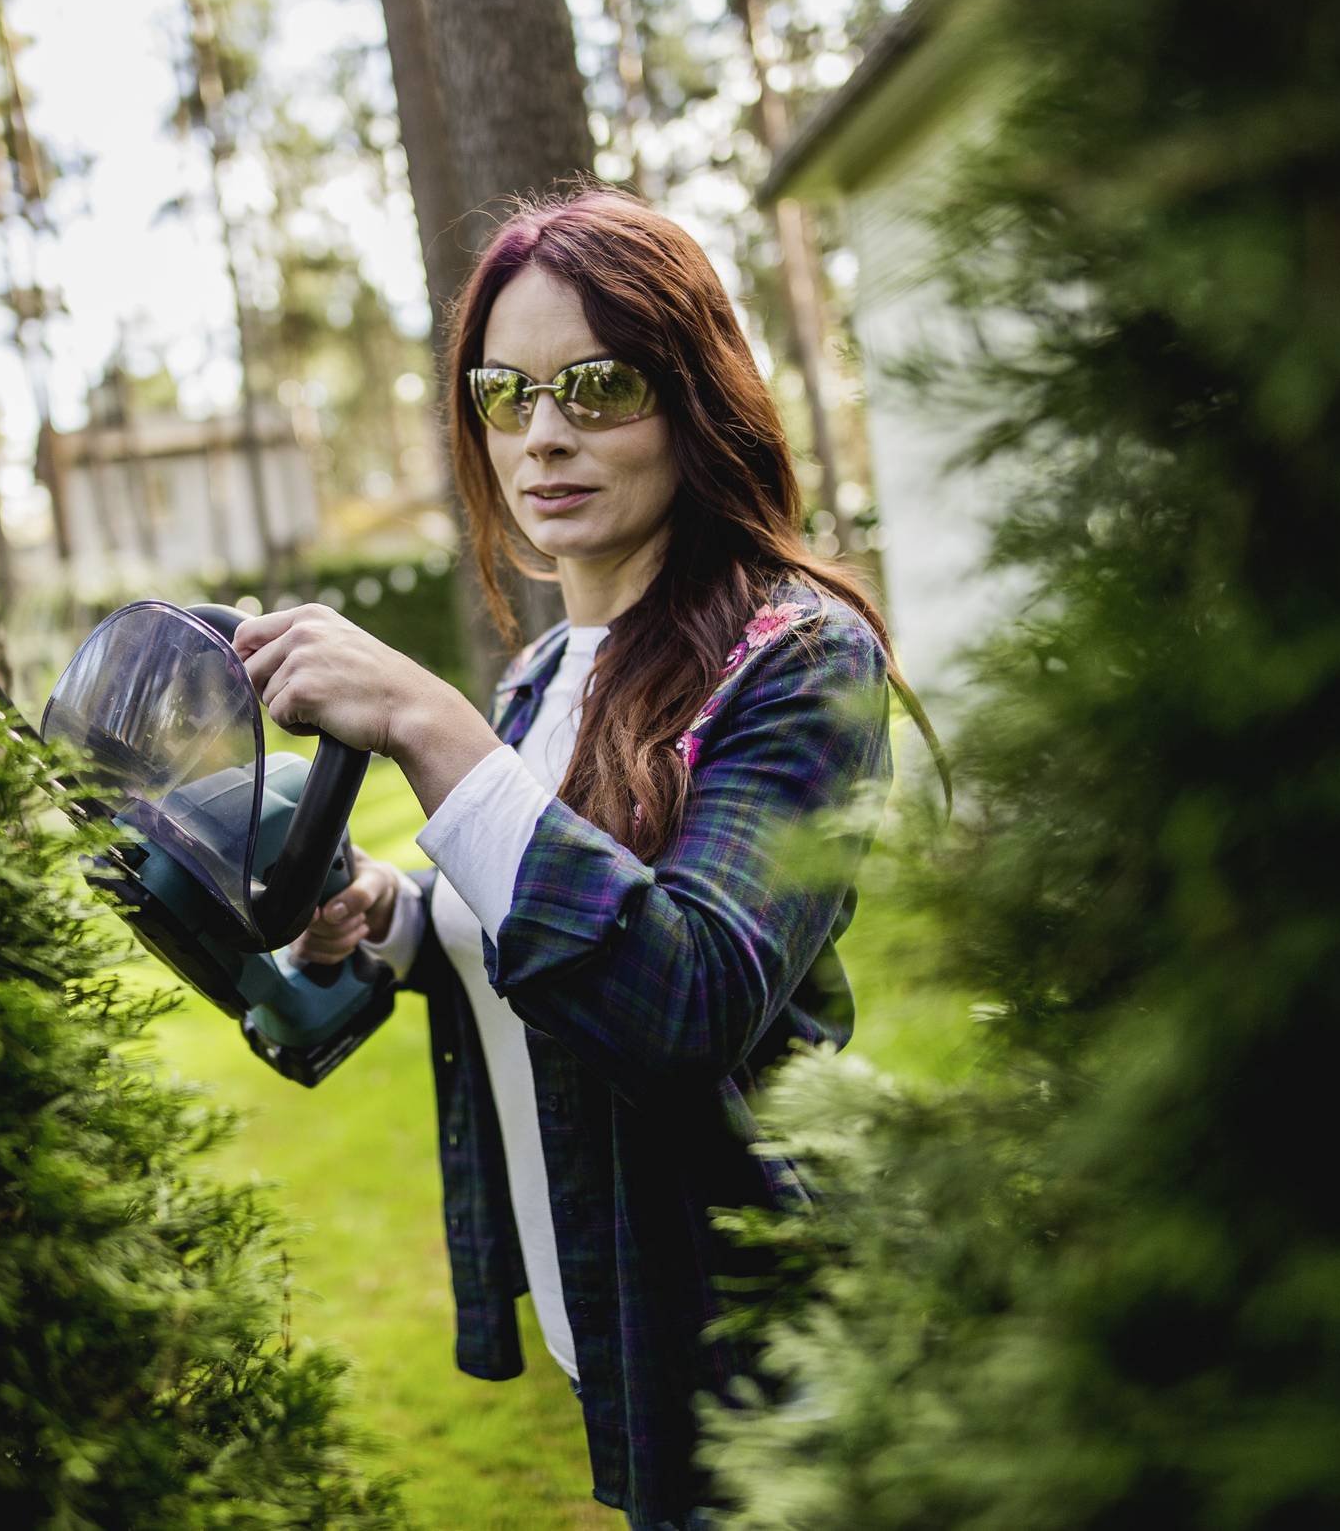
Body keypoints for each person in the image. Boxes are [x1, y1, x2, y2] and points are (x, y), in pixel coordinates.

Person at [228, 190, 912, 1530]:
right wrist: (389, 918)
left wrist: (430, 724)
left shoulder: (798, 657)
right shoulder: (545, 671)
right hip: (614, 1314)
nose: (544, 432)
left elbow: (686, 991)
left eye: (598, 386)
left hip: (761, 1348)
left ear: (695, 398)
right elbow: (525, 920)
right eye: (507, 390)